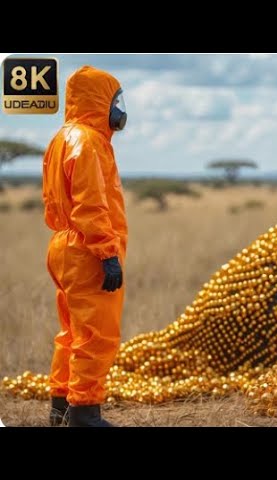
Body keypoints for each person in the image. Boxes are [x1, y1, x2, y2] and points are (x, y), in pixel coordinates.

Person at [42, 65, 128, 427]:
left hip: (62, 245)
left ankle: (60, 406)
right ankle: (85, 412)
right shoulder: (89, 141)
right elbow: (90, 204)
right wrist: (107, 253)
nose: (121, 110)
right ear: (99, 101)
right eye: (116, 101)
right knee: (96, 334)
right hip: (86, 251)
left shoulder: (62, 136)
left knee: (72, 333)